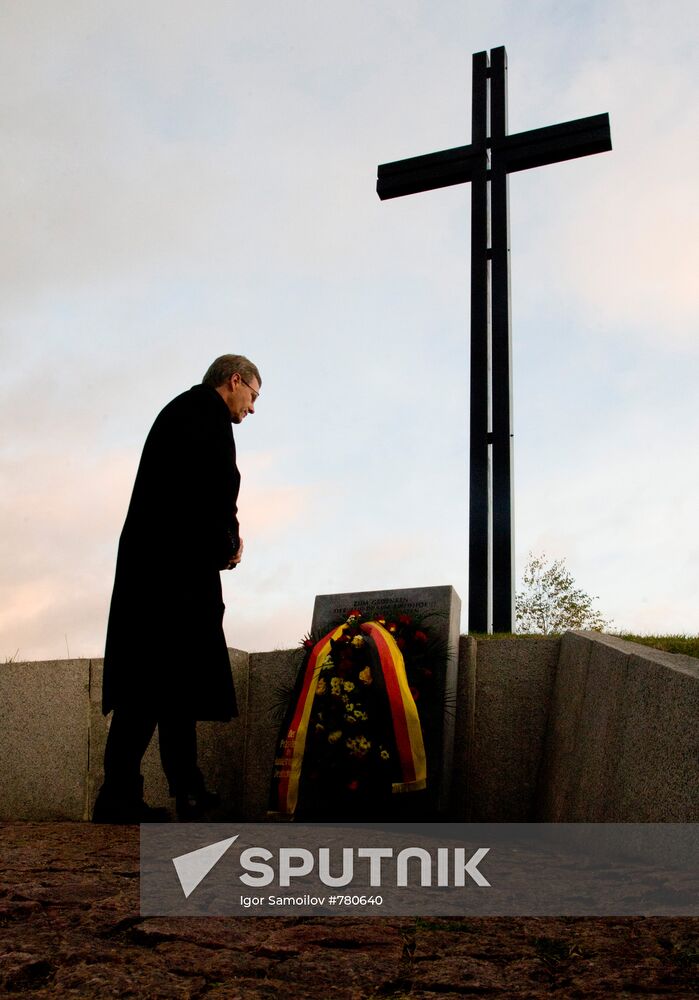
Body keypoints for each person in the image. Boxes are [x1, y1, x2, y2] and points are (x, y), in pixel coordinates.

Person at [92, 354, 261, 823]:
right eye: (253, 396)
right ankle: (143, 794)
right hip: (177, 581)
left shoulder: (177, 412)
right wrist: (229, 544)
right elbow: (214, 489)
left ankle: (167, 790)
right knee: (162, 685)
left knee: (161, 686)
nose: (251, 409)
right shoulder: (210, 418)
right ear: (234, 381)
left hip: (150, 575)